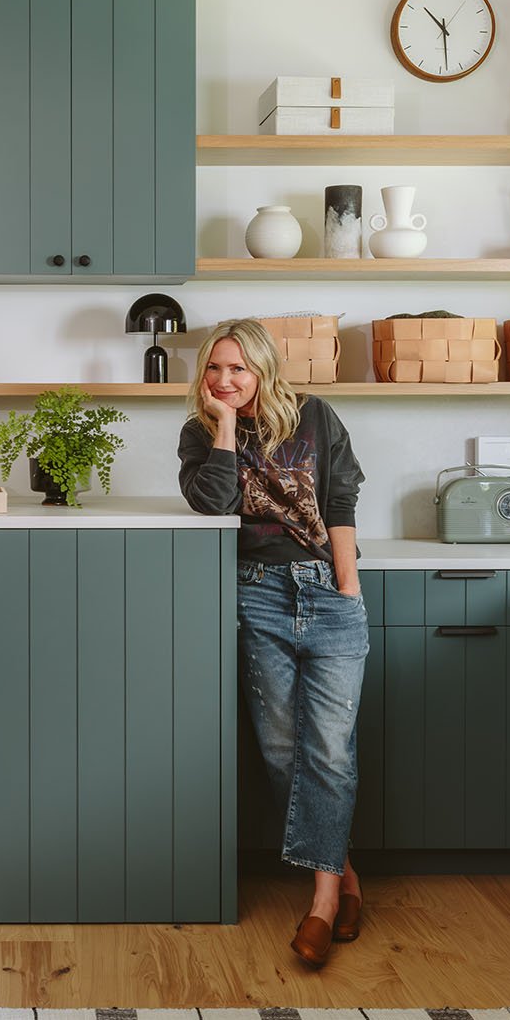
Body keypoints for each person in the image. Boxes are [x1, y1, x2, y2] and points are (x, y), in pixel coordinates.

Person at [176, 318, 367, 969]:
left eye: (238, 368)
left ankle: (319, 902)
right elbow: (212, 504)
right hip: (258, 594)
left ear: (262, 368)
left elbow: (341, 500)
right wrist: (226, 430)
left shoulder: (314, 417)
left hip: (327, 591)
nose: (225, 379)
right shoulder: (199, 433)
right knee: (283, 750)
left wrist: (347, 586)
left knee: (330, 752)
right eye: (214, 368)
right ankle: (344, 875)